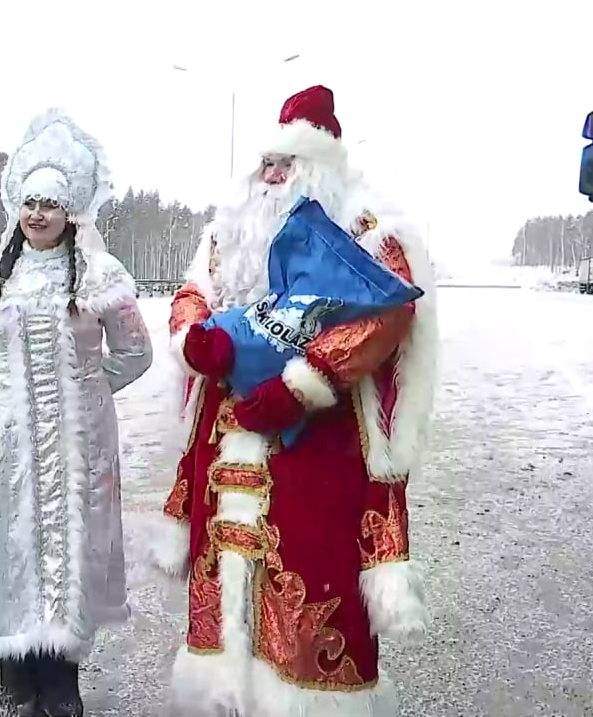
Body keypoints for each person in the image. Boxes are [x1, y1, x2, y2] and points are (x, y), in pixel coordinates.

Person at [142, 86, 438, 717]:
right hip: (227, 440)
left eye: (288, 165)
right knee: (224, 576)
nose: (274, 177)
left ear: (321, 171)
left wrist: (304, 383)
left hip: (318, 443)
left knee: (309, 577)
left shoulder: (364, 232)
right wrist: (198, 343)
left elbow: (388, 319)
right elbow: (192, 294)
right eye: (266, 166)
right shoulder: (228, 234)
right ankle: (227, 699)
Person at [0, 109, 153, 717]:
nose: (38, 214)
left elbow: (136, 353)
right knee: (9, 558)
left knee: (66, 560)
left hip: (79, 454)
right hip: (2, 452)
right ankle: (15, 681)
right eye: (30, 203)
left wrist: (86, 393)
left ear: (71, 210)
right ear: (17, 206)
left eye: (51, 203)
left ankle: (59, 681)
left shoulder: (102, 275)